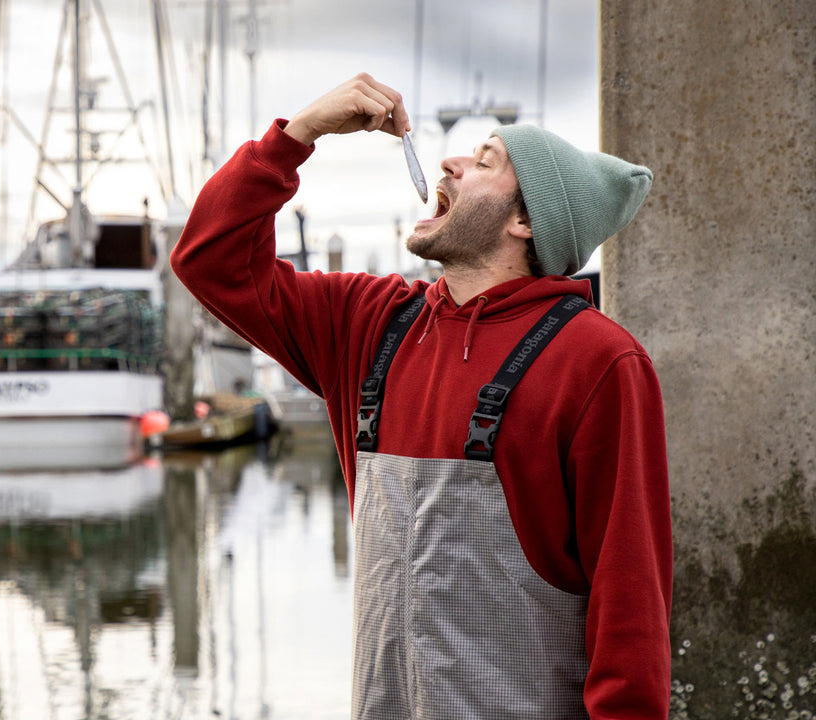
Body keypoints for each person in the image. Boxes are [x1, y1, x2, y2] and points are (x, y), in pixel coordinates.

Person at [170, 73, 672, 719]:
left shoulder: (599, 360)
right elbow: (211, 262)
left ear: (525, 219)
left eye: (484, 159)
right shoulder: (365, 323)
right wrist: (300, 134)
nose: (450, 160)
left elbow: (630, 592)